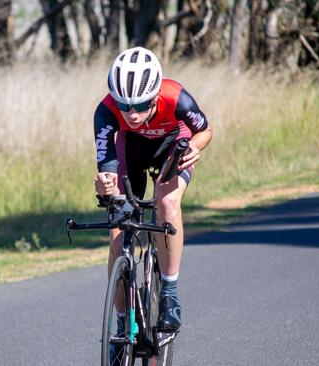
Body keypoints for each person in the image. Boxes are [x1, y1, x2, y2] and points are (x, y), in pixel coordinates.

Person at [93, 47, 213, 334]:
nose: (132, 114)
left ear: (156, 95)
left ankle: (170, 293)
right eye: (125, 106)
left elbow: (206, 130)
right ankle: (122, 320)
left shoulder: (176, 98)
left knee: (167, 202)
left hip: (172, 144)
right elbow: (107, 171)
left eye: (140, 106)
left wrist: (194, 147)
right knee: (118, 229)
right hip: (131, 149)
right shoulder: (106, 111)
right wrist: (104, 186)